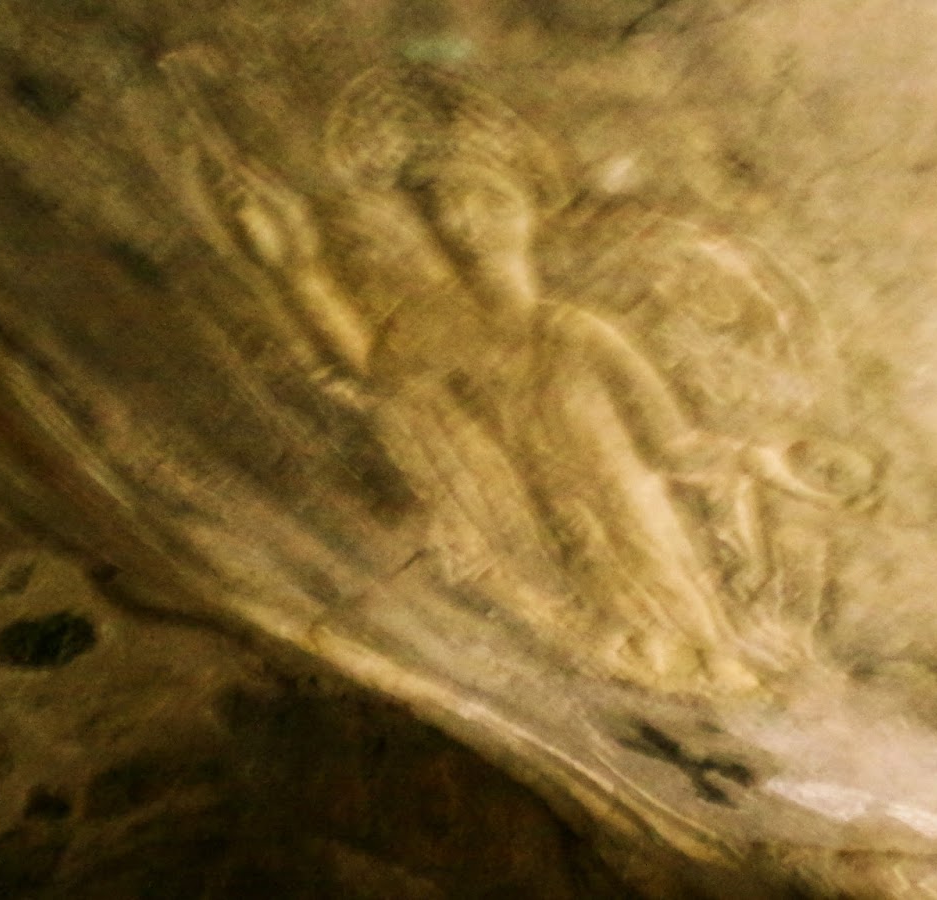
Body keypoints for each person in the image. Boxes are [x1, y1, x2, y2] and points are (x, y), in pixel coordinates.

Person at [178, 62, 873, 683]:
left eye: (486, 198)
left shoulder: (577, 333)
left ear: (524, 209)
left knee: (685, 627)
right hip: (552, 542)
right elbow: (378, 373)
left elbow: (674, 445)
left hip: (644, 532)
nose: (464, 219)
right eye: (441, 202)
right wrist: (295, 263)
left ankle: (705, 657)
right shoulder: (434, 335)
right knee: (610, 615)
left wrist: (767, 462)